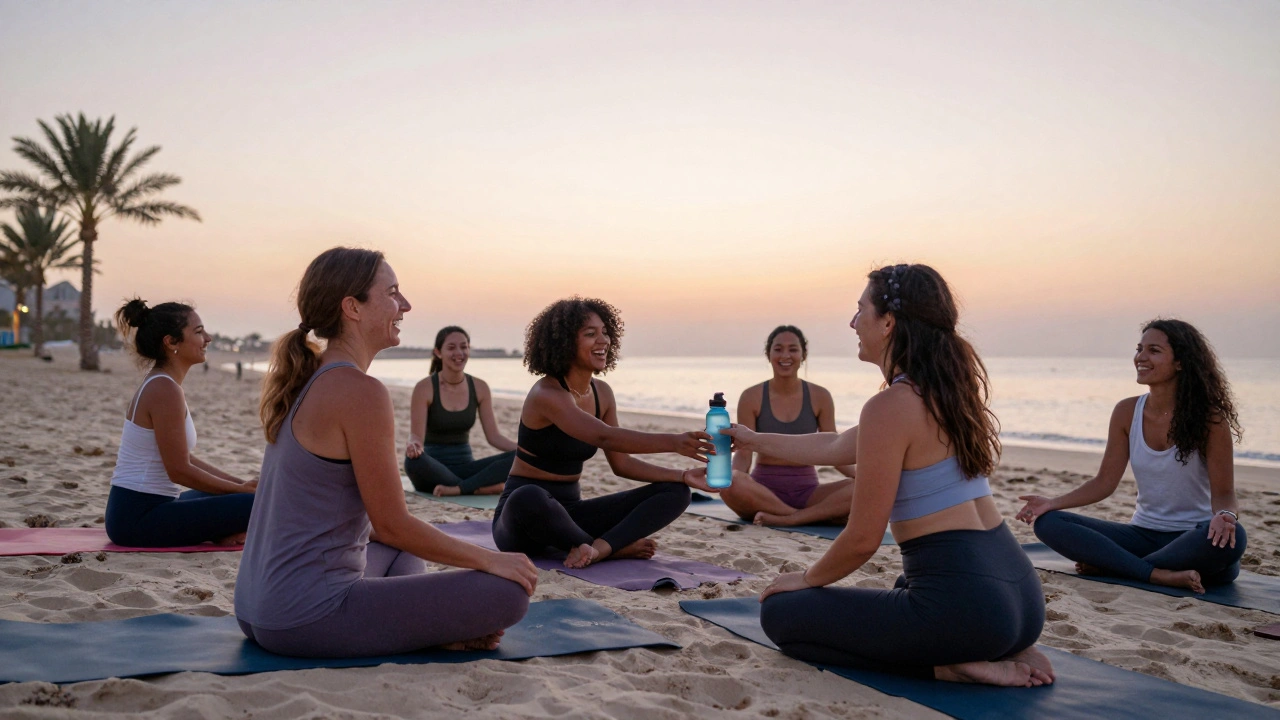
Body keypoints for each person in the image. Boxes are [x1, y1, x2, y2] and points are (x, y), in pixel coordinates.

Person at [723, 264, 1053, 687]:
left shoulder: (889, 407)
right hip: (1021, 600)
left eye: (861, 310)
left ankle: (952, 666)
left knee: (782, 614)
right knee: (903, 585)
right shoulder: (943, 392)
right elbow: (834, 445)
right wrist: (751, 439)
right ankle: (991, 647)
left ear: (889, 322)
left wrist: (804, 579)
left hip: (972, 613)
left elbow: (862, 539)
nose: (853, 322)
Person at [235, 248, 535, 658]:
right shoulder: (360, 391)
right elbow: (393, 524)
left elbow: (384, 531)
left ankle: (409, 626)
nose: (405, 304)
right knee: (508, 592)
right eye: (392, 292)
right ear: (352, 308)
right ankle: (418, 628)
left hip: (256, 607)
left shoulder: (307, 378)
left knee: (403, 551)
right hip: (305, 616)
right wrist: (490, 560)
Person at [1016, 319, 1246, 594]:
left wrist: (1224, 515)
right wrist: (1051, 503)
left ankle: (1120, 568)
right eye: (1139, 349)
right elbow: (1104, 482)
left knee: (1235, 536)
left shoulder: (1210, 419)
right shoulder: (1127, 412)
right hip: (1141, 535)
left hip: (1195, 538)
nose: (1141, 357)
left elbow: (1224, 493)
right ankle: (1156, 574)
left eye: (1154, 350)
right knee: (1050, 523)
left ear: (1181, 362)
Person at [492, 297, 718, 569]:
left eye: (605, 332)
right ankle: (607, 548)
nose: (604, 341)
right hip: (523, 522)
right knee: (528, 496)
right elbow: (603, 436)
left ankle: (598, 548)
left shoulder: (603, 394)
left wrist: (681, 475)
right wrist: (674, 442)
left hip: (571, 516)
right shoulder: (547, 394)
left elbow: (621, 464)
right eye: (590, 334)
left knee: (677, 492)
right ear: (564, 342)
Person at [104, 299, 256, 548]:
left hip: (151, 508)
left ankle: (222, 531)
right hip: (137, 518)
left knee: (246, 494)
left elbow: (183, 458)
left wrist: (240, 485)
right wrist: (242, 492)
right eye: (198, 332)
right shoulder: (164, 389)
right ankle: (222, 531)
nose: (208, 338)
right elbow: (179, 470)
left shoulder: (163, 384)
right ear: (171, 342)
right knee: (260, 504)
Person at [720, 324, 856, 526]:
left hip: (809, 493)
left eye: (793, 349)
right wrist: (734, 478)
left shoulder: (820, 396)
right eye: (778, 349)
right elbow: (744, 453)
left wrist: (863, 477)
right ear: (768, 354)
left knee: (863, 487)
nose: (785, 355)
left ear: (803, 355)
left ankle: (792, 517)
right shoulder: (751, 396)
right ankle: (799, 516)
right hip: (762, 491)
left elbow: (834, 450)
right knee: (729, 482)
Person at [404, 326, 516, 496]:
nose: (459, 353)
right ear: (438, 352)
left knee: (518, 458)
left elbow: (494, 437)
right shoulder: (424, 388)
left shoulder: (480, 387)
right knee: (413, 462)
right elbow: (416, 437)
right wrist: (414, 446)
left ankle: (458, 488)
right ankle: (478, 488)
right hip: (433, 468)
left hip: (466, 467)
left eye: (464, 347)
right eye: (451, 348)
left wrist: (524, 451)